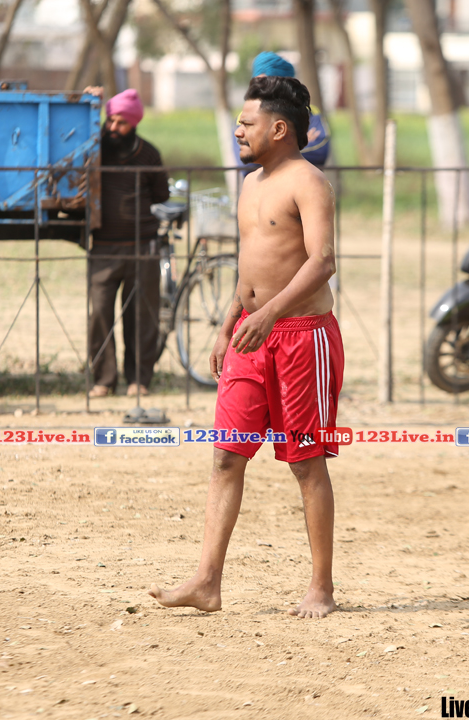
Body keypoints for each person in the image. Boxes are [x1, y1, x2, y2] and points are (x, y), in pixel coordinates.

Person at [149, 75, 342, 619]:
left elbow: (322, 262)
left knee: (306, 463)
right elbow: (251, 264)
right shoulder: (250, 184)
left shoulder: (309, 183)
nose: (237, 131)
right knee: (226, 455)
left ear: (279, 129)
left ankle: (321, 588)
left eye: (246, 122)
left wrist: (269, 313)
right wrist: (230, 322)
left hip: (302, 338)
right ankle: (206, 582)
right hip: (249, 336)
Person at [87, 88, 169, 398]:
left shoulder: (149, 154)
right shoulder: (96, 150)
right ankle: (104, 380)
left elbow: (161, 194)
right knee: (99, 314)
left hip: (142, 248)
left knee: (141, 316)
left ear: (134, 123)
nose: (113, 127)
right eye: (110, 120)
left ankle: (139, 379)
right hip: (103, 247)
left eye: (121, 122)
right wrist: (91, 102)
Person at [232, 52, 331, 173]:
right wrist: (295, 148)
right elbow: (246, 163)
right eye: (257, 82)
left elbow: (320, 153)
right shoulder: (242, 117)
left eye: (266, 83)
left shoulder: (310, 113)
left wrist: (265, 152)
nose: (259, 88)